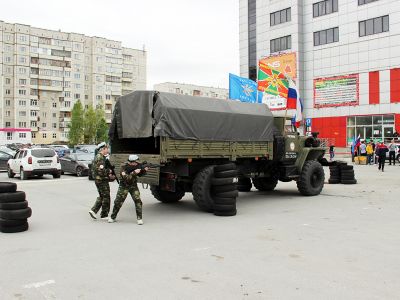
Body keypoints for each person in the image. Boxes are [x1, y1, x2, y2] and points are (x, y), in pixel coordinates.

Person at [108, 154, 148, 225]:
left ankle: (139, 218)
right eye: (135, 161)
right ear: (131, 162)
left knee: (138, 201)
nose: (137, 163)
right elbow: (126, 178)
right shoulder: (123, 168)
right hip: (124, 186)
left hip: (133, 186)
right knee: (118, 201)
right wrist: (134, 172)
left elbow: (140, 175)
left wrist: (144, 171)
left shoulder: (137, 165)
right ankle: (112, 217)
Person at [89, 142, 115, 220]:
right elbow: (101, 171)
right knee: (106, 196)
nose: (108, 150)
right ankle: (104, 214)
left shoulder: (99, 157)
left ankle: (93, 211)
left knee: (102, 196)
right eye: (107, 149)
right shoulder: (100, 158)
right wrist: (109, 172)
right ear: (103, 149)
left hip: (99, 179)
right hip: (101, 180)